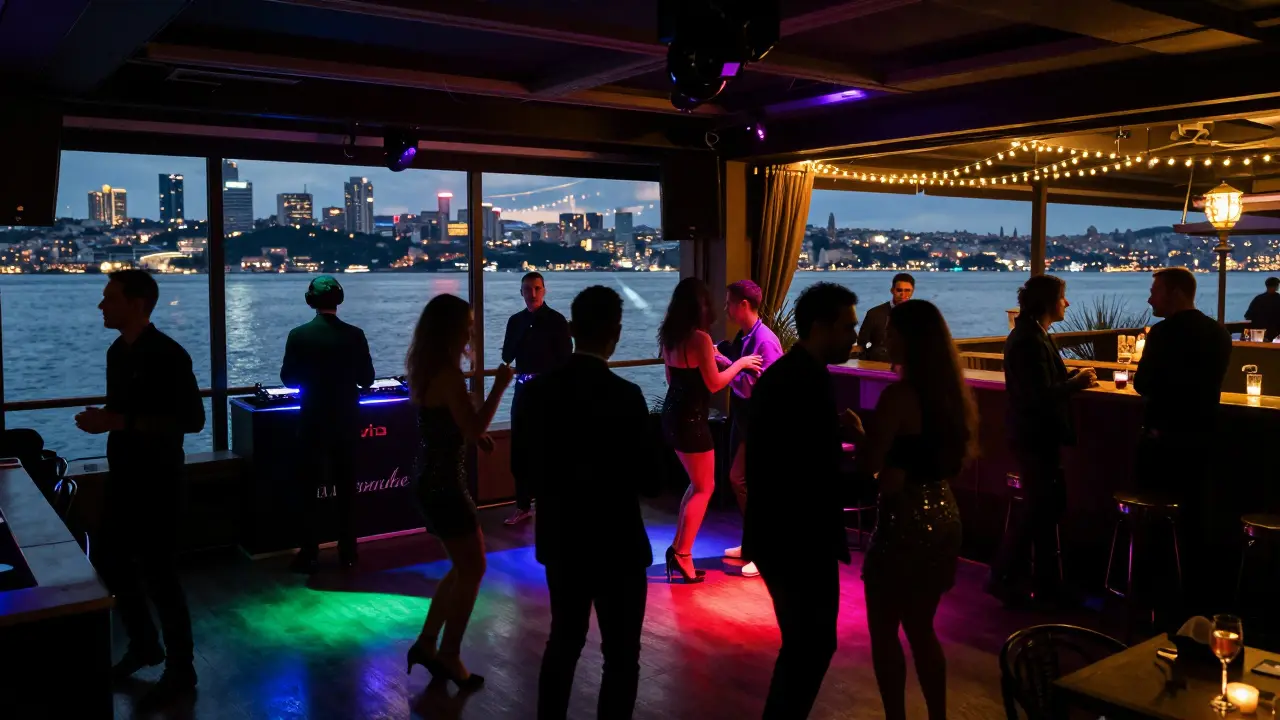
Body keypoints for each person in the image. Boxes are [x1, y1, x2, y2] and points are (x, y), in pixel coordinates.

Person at [517, 286, 659, 719]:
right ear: (616, 332)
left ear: (573, 329)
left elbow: (523, 469)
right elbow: (650, 480)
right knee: (621, 657)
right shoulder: (627, 396)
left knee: (564, 642)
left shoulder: (539, 394)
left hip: (563, 537)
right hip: (618, 541)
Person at [76, 270, 204, 707]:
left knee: (161, 575)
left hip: (160, 479)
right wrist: (107, 420)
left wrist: (114, 422)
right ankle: (146, 643)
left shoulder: (169, 355)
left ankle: (180, 667)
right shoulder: (117, 352)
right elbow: (126, 413)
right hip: (125, 475)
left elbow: (193, 421)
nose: (101, 306)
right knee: (112, 560)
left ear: (136, 304)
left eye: (109, 298)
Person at [847, 299, 975, 720]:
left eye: (892, 332)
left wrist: (858, 434)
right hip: (944, 514)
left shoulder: (898, 397)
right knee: (922, 630)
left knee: (884, 633)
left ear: (909, 340)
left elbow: (871, 466)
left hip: (904, 517)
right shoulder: (952, 396)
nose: (885, 338)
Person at [744, 282, 860, 719]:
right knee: (811, 645)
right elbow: (811, 469)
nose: (855, 337)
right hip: (798, 538)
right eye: (848, 327)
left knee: (804, 645)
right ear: (821, 326)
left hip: (780, 534)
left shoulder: (792, 375)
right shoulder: (806, 381)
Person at [404, 293, 515, 690]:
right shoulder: (449, 375)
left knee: (462, 566)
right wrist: (500, 387)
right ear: (453, 329)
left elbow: (447, 425)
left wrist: (472, 434)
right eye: (467, 324)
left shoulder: (429, 369)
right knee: (474, 568)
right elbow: (471, 426)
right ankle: (448, 655)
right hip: (446, 485)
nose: (471, 330)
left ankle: (427, 644)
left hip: (429, 479)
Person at [1133, 266, 1231, 629]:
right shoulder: (1219, 334)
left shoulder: (1161, 334)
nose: (1149, 297)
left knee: (1157, 525)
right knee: (1196, 525)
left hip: (1161, 449)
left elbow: (1143, 384)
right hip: (1203, 447)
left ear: (1174, 292)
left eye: (1155, 290)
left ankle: (1153, 599)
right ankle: (1195, 605)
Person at [990, 275, 1096, 606]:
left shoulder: (1033, 334)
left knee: (1043, 510)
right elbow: (1035, 395)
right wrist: (1076, 383)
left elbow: (1041, 383)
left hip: (1034, 436)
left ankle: (1034, 583)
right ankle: (1010, 579)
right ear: (1049, 302)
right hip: (1034, 436)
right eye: (1063, 297)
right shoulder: (1029, 340)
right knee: (1041, 511)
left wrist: (1070, 378)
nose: (1067, 303)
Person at [659, 277, 762, 583]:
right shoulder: (700, 339)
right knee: (705, 488)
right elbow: (715, 383)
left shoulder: (669, 336)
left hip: (671, 415)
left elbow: (670, 380)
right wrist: (741, 363)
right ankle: (683, 555)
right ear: (700, 305)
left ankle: (678, 549)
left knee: (695, 485)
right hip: (691, 419)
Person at [280, 275, 375, 573]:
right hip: (347, 420)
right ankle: (348, 552)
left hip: (312, 421)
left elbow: (288, 378)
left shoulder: (298, 335)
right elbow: (367, 379)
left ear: (310, 301)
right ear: (340, 299)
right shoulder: (355, 335)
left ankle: (309, 553)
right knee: (346, 489)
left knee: (309, 491)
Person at [715, 280, 784, 578]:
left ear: (743, 304)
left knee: (745, 480)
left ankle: (764, 548)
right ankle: (752, 543)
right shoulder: (746, 337)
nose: (726, 308)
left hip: (759, 421)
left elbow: (764, 389)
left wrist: (724, 364)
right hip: (745, 419)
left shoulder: (765, 341)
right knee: (741, 479)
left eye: (729, 302)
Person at [502, 271, 572, 526]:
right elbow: (507, 356)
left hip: (548, 391)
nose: (532, 294)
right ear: (521, 292)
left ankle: (551, 504)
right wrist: (524, 331)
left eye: (537, 289)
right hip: (523, 388)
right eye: (527, 289)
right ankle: (522, 506)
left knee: (549, 449)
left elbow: (565, 358)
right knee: (519, 449)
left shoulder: (556, 321)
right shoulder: (515, 321)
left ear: (544, 290)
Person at [856, 273, 915, 362]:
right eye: (899, 290)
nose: (903, 294)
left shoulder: (920, 315)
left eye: (907, 290)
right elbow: (861, 344)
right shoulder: (874, 314)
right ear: (892, 290)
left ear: (912, 291)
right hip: (878, 365)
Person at [1245, 276, 1280, 342]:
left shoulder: (1258, 299)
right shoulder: (1278, 299)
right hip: (1276, 333)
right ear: (1276, 286)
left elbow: (1248, 316)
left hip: (1260, 334)